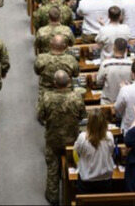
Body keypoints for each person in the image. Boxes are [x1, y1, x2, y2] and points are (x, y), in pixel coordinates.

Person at [38, 70, 85, 205]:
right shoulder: (76, 97)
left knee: (52, 168)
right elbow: (82, 116)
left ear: (54, 83)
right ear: (69, 82)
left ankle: (52, 197)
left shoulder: (47, 97)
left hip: (53, 138)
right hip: (72, 140)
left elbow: (40, 116)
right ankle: (71, 194)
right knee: (73, 165)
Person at [73, 109, 115, 194]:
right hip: (105, 181)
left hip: (87, 182)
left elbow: (77, 152)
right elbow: (111, 152)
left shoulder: (82, 137)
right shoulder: (109, 137)